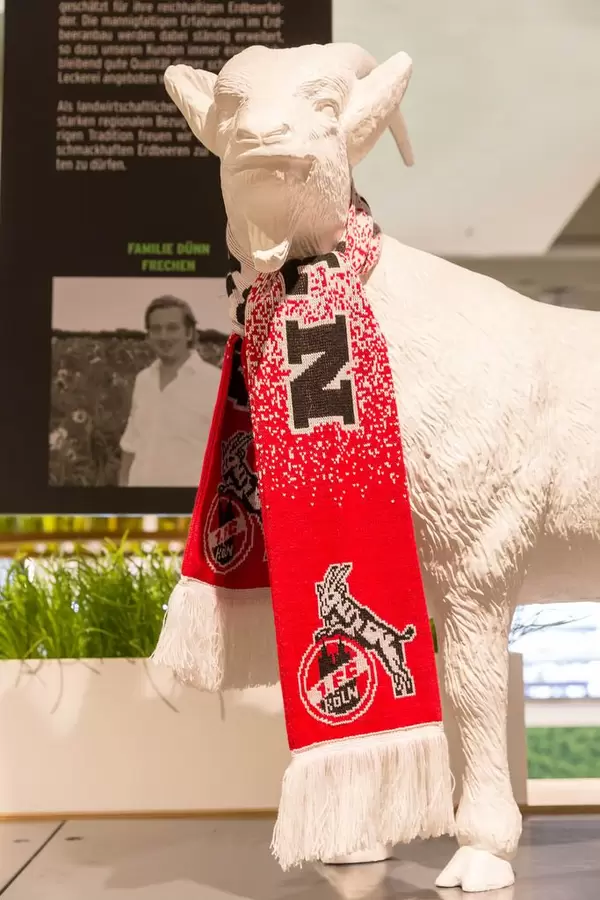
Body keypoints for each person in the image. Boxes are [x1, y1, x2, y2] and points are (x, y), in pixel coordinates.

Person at [119, 295, 222, 487]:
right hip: (140, 499)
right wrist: (123, 486)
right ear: (149, 335)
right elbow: (131, 441)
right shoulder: (143, 379)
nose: (164, 336)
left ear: (189, 333)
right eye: (156, 329)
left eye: (172, 328)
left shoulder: (216, 382)